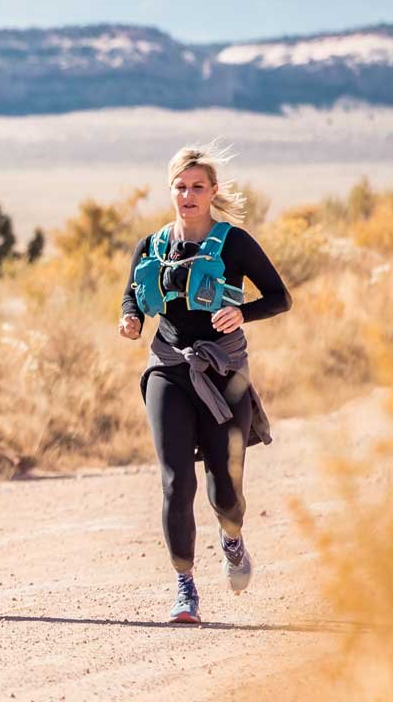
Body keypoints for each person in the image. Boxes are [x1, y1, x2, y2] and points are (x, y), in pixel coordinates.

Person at [118, 143, 291, 624]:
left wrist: (242, 312)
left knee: (226, 489)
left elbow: (280, 297)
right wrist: (130, 319)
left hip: (223, 374)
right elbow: (132, 295)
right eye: (180, 186)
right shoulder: (152, 245)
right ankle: (185, 588)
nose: (188, 194)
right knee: (176, 481)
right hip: (168, 368)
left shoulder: (234, 243)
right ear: (170, 190)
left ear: (212, 192)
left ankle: (232, 540)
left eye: (197, 186)